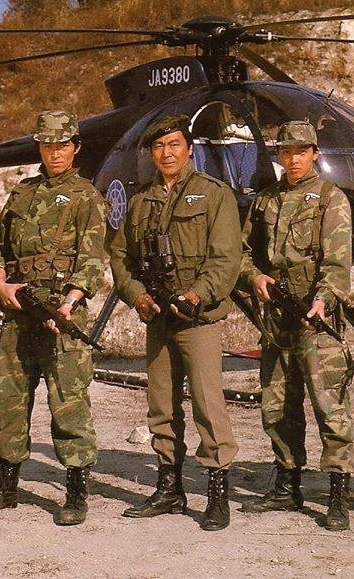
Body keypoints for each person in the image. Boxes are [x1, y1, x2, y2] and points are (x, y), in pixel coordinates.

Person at [0, 110, 106, 526]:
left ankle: (76, 493)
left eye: (63, 145)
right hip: (18, 312)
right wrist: (1, 284)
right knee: (10, 401)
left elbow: (92, 261)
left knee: (68, 401)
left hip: (61, 313)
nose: (55, 152)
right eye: (48, 145)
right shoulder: (21, 193)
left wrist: (68, 303)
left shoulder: (86, 196)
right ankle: (6, 487)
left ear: (75, 147)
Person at [109, 114, 241, 531]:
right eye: (159, 147)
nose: (166, 153)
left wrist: (197, 294)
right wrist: (138, 296)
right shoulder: (141, 201)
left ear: (189, 149)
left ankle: (217, 493)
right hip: (158, 317)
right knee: (161, 405)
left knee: (207, 403)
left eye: (174, 145)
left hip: (196, 318)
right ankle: (170, 488)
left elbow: (226, 257)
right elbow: (120, 257)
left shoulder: (214, 194)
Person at [237, 120, 354, 530]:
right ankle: (287, 484)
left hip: (315, 316)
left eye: (301, 151)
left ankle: (338, 493)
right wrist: (254, 277)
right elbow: (242, 252)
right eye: (285, 152)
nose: (293, 159)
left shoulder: (330, 198)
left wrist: (322, 299)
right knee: (277, 404)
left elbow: (338, 262)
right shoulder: (265, 200)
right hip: (277, 317)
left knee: (329, 406)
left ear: (314, 153)